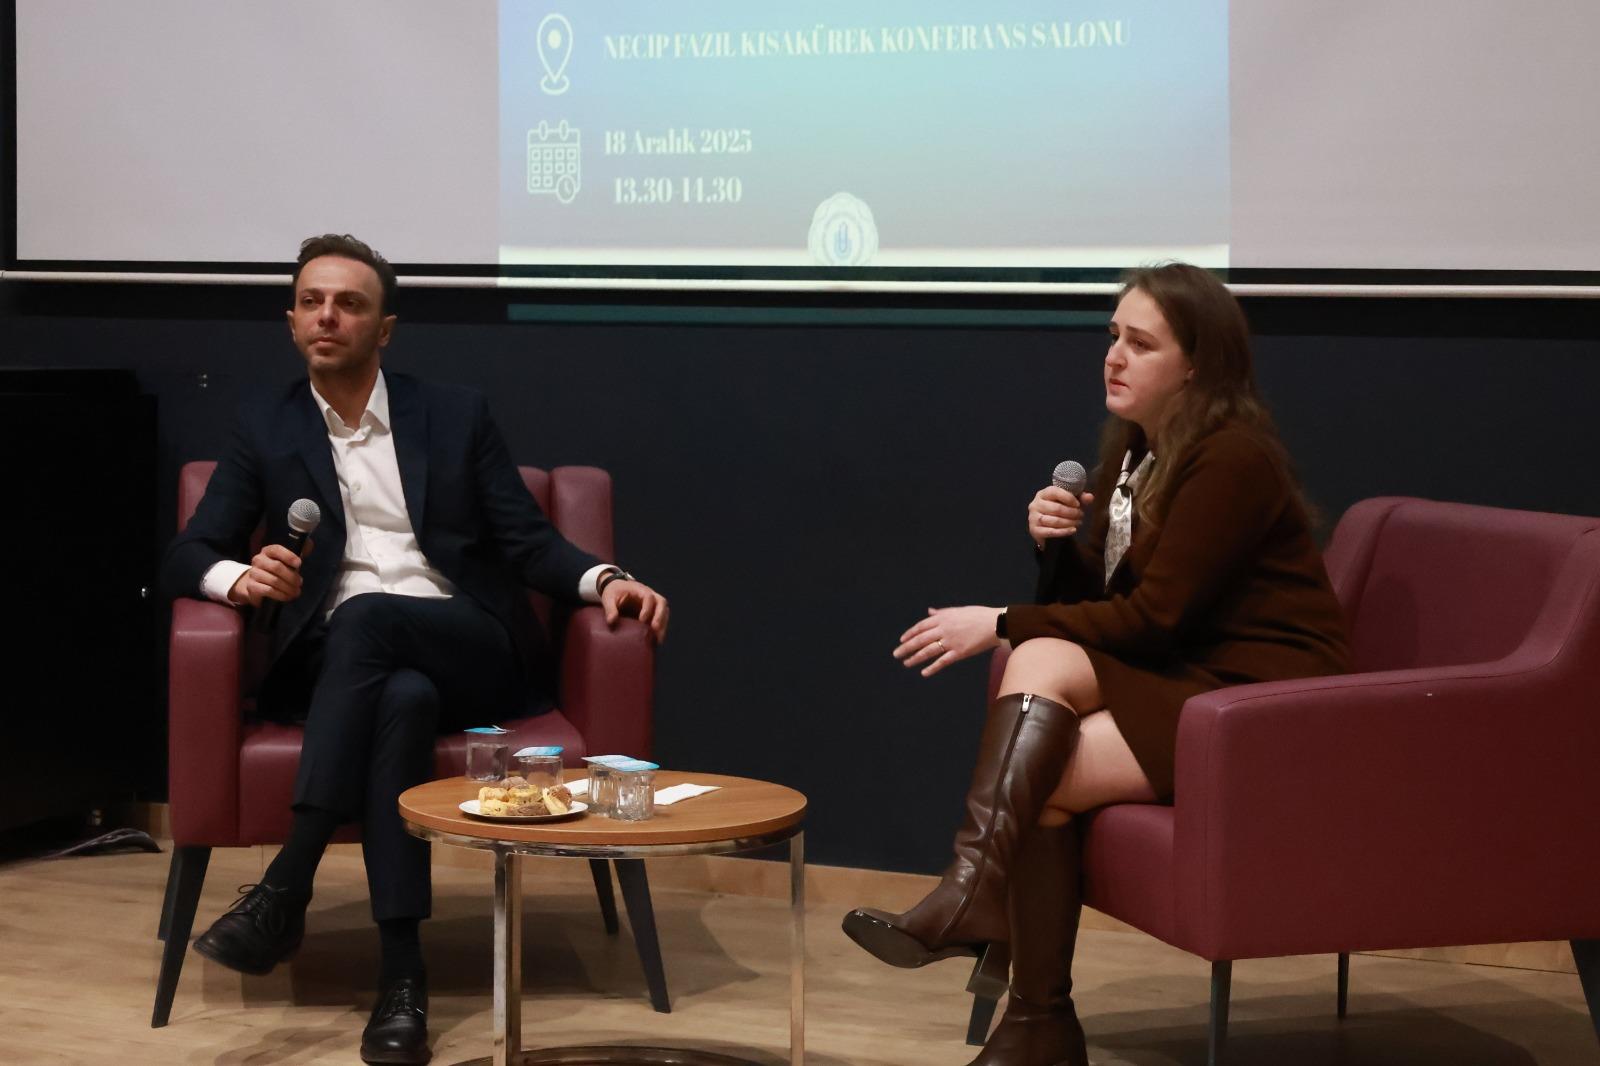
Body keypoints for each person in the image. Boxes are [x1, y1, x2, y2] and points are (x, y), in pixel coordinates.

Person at [161, 234, 669, 1066]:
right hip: (343, 670)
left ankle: (288, 883)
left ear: (385, 328)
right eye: (312, 302)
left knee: (370, 619)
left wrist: (604, 577)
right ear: (291, 321)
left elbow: (527, 540)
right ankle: (402, 979)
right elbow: (189, 554)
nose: (328, 316)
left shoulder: (454, 414)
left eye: (349, 304)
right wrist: (239, 579)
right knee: (399, 694)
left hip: (467, 642)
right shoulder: (266, 423)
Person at [841, 262, 1351, 1065]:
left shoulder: (1232, 459)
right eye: (1113, 336)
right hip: (1191, 676)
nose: (1114, 356)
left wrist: (1000, 621)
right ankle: (1023, 998)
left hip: (1259, 700)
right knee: (1041, 702)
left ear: (1197, 365)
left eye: (1141, 343)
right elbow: (1123, 603)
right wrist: (1055, 550)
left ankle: (1002, 951)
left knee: (1037, 697)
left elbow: (1152, 620)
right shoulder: (1141, 451)